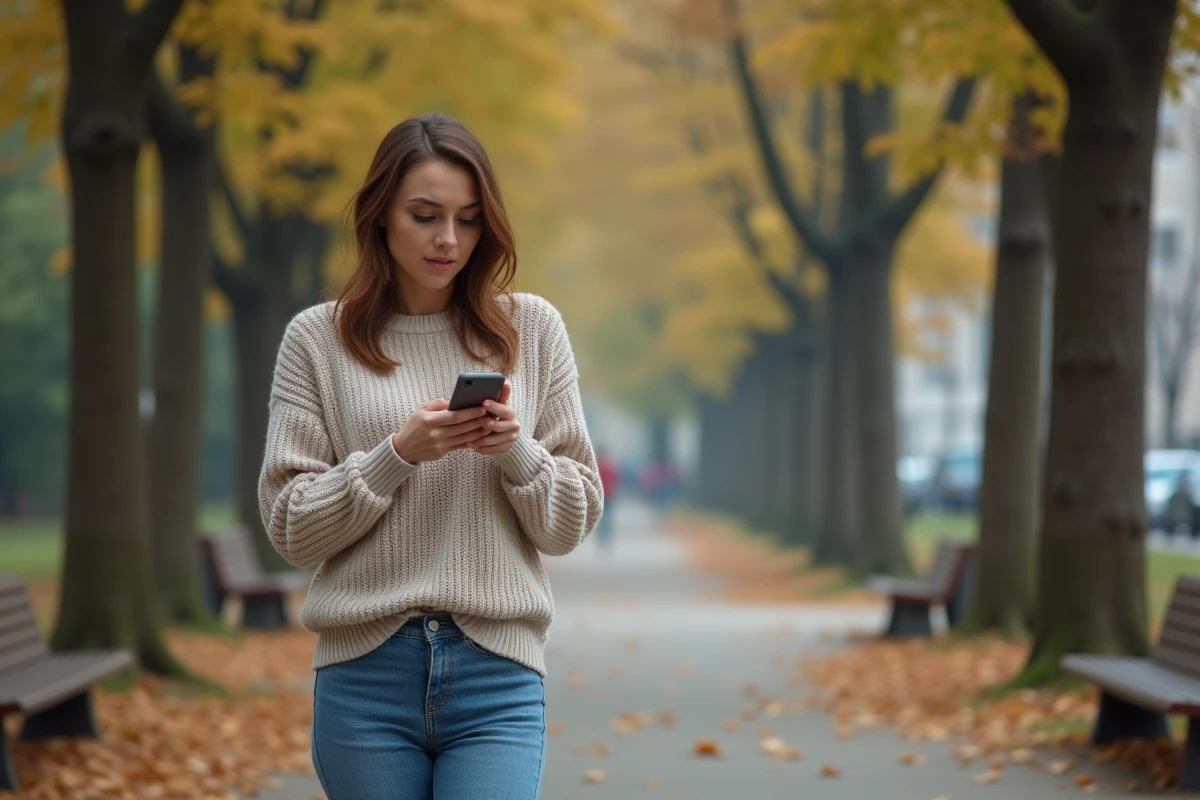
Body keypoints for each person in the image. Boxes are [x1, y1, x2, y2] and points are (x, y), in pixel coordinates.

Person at [258, 112, 603, 800]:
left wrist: (519, 454)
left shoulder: (530, 329)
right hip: (365, 677)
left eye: (470, 219)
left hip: (497, 673)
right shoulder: (316, 341)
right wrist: (394, 456)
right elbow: (291, 528)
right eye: (425, 215)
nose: (449, 239)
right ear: (380, 215)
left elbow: (571, 523)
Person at [594, 450, 621, 552]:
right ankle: (608, 540)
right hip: (609, 494)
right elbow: (616, 480)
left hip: (600, 495)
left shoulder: (597, 466)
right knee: (608, 518)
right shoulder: (610, 466)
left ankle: (601, 540)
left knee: (601, 518)